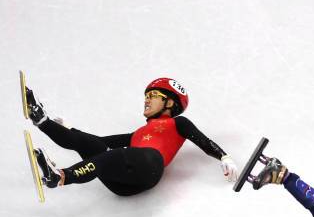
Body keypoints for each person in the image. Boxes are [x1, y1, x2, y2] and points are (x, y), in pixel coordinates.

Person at [26, 78, 238, 196]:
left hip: (151, 165)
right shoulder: (137, 134)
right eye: (146, 96)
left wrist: (224, 157)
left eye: (153, 96)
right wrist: (64, 127)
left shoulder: (177, 123)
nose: (147, 100)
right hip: (123, 185)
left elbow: (201, 139)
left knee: (112, 156)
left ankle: (61, 176)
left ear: (170, 103)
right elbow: (98, 142)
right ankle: (40, 118)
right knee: (90, 145)